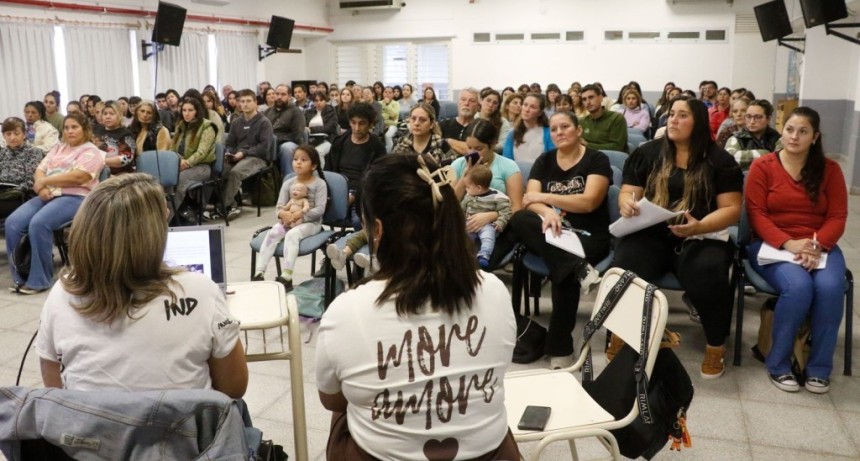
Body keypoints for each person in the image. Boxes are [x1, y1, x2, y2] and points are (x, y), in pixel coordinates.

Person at [315, 153, 520, 460]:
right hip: (490, 455)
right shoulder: (494, 292)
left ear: (378, 230)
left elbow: (332, 401)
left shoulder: (346, 311)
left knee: (350, 408)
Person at [35, 173, 247, 398]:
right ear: (153, 234)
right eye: (164, 216)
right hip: (184, 432)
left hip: (92, 431)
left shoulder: (62, 294)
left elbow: (54, 390)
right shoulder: (201, 291)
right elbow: (233, 389)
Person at [611, 95, 742, 379]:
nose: (673, 119)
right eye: (671, 114)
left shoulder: (719, 160)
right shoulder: (648, 152)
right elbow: (628, 190)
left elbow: (732, 209)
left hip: (700, 235)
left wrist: (699, 226)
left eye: (683, 115)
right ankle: (621, 332)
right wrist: (626, 203)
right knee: (624, 264)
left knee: (709, 272)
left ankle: (715, 344)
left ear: (698, 122)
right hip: (652, 232)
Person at [491, 111, 609, 369]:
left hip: (587, 235)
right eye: (554, 129)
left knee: (561, 271)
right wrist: (546, 211)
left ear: (579, 131)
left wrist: (546, 199)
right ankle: (579, 270)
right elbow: (528, 202)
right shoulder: (544, 160)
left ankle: (560, 346)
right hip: (551, 231)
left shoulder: (596, 160)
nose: (559, 132)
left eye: (565, 126)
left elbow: (589, 202)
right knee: (521, 218)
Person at [746, 107, 847, 394]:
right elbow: (756, 214)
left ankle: (818, 368)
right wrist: (789, 244)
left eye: (803, 131)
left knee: (830, 289)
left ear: (815, 137)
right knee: (799, 287)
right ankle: (778, 364)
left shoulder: (830, 170)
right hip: (772, 245)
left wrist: (816, 245)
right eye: (790, 129)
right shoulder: (763, 167)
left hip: (819, 245)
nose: (794, 136)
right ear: (782, 130)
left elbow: (838, 216)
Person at [5, 113, 105, 294]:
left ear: (84, 129)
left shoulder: (91, 151)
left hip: (76, 197)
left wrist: (46, 182)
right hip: (48, 194)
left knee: (39, 223)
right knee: (12, 223)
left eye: (74, 127)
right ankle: (20, 276)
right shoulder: (59, 148)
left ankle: (39, 280)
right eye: (66, 128)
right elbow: (40, 169)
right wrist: (41, 186)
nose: (70, 131)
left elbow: (78, 177)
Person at [252, 145, 328, 291]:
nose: (298, 162)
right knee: (273, 232)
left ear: (314, 165)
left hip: (311, 223)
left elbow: (320, 210)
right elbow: (279, 207)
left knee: (293, 235)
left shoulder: (320, 184)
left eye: (303, 160)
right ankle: (259, 273)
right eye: (295, 159)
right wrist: (283, 214)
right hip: (288, 221)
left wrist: (300, 215)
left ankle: (286, 276)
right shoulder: (288, 183)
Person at [208, 89, 273, 221]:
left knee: (235, 173)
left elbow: (264, 148)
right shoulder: (236, 122)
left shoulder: (264, 122)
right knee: (218, 170)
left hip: (257, 157)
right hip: (236, 156)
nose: (245, 104)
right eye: (242, 101)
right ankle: (232, 205)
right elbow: (230, 142)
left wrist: (244, 153)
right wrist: (229, 152)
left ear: (255, 103)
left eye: (248, 101)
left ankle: (222, 207)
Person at [325, 103, 387, 230]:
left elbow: (376, 179)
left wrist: (355, 196)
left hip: (363, 194)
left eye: (362, 123)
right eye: (353, 123)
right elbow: (328, 172)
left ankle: (354, 247)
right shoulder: (339, 142)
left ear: (370, 124)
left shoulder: (377, 147)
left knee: (359, 222)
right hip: (338, 191)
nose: (357, 128)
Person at [461, 164, 512, 268]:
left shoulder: (498, 197)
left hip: (487, 225)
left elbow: (506, 212)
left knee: (488, 237)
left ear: (479, 188)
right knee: (463, 237)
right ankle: (463, 255)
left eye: (468, 187)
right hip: (470, 222)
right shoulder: (468, 196)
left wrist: (500, 223)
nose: (466, 190)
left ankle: (484, 255)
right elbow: (461, 209)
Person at [172, 97, 217, 206]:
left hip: (202, 167)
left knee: (179, 181)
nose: (186, 114)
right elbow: (172, 149)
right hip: (181, 164)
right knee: (165, 181)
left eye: (190, 110)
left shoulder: (207, 127)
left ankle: (168, 219)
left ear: (197, 111)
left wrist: (186, 163)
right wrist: (178, 160)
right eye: (184, 110)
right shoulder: (181, 126)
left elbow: (202, 153)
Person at [0, 117, 43, 218]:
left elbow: (32, 180)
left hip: (21, 196)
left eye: (16, 133)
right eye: (8, 134)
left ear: (24, 134)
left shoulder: (34, 152)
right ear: (3, 136)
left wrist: (14, 190)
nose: (12, 137)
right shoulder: (2, 153)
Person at [725, 99, 782, 170]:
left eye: (758, 117)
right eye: (748, 116)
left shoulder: (777, 139)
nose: (752, 121)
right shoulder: (736, 138)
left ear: (768, 119)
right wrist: (763, 153)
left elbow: (780, 162)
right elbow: (729, 158)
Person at [502, 93, 554, 162]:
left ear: (540, 113)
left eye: (532, 107)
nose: (527, 110)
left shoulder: (548, 133)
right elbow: (507, 161)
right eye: (525, 105)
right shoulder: (512, 133)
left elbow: (552, 160)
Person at [267, 84, 306, 176]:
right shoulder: (267, 112)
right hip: (269, 143)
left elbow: (297, 135)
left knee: (286, 148)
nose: (279, 97)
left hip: (290, 143)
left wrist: (276, 139)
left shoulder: (296, 112)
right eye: (277, 94)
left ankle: (288, 179)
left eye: (283, 94)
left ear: (289, 96)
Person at [578, 84, 627, 152]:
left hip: (611, 159)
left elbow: (617, 147)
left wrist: (588, 145)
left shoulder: (616, 118)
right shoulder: (582, 121)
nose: (588, 102)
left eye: (591, 97)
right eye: (584, 99)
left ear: (601, 98)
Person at [93, 101, 136, 175]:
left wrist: (100, 161)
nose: (107, 116)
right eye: (105, 114)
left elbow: (125, 159)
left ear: (119, 115)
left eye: (112, 114)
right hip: (97, 172)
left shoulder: (126, 134)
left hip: (120, 175)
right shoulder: (96, 129)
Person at [439, 88, 480, 158]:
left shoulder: (480, 127)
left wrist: (448, 141)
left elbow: (476, 152)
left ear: (478, 107)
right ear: (458, 103)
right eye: (463, 99)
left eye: (472, 101)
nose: (466, 103)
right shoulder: (443, 125)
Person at [304, 90, 339, 157]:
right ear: (313, 102)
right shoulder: (308, 112)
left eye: (321, 100)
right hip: (309, 140)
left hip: (328, 140)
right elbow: (303, 126)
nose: (319, 103)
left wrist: (311, 130)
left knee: (318, 152)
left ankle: (322, 168)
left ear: (325, 100)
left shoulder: (331, 112)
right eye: (316, 101)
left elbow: (330, 127)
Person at [477, 89, 512, 153]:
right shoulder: (472, 118)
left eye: (495, 103)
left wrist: (483, 149)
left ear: (498, 106)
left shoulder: (503, 122)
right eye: (488, 100)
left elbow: (503, 145)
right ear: (481, 101)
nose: (490, 105)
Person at [380, 86, 401, 152]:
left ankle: (388, 153)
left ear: (393, 94)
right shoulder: (379, 103)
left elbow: (394, 114)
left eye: (390, 92)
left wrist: (387, 104)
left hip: (392, 125)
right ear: (383, 93)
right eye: (385, 92)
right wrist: (387, 116)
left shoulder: (396, 103)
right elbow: (379, 116)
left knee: (388, 135)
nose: (387, 94)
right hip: (380, 125)